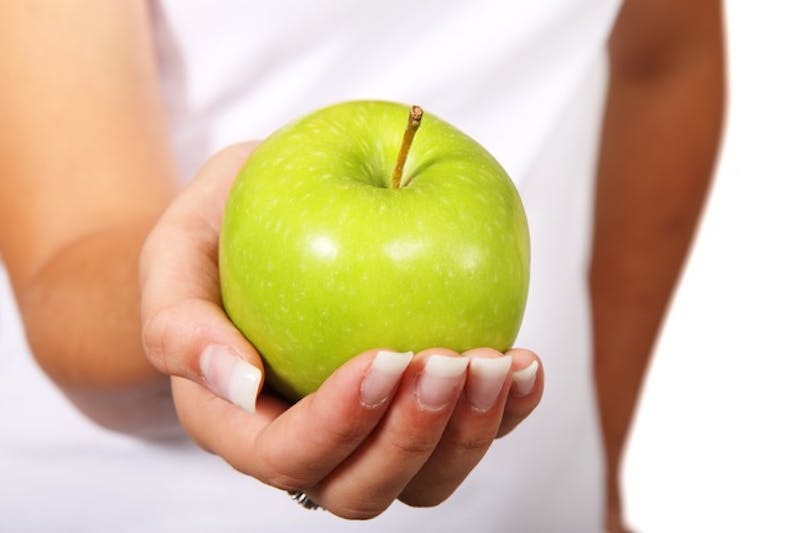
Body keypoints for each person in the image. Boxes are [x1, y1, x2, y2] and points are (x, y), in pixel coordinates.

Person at [0, 1, 724, 531]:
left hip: (535, 505)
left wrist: (601, 466)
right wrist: (200, 313)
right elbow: (68, 257)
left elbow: (662, 58)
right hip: (134, 505)